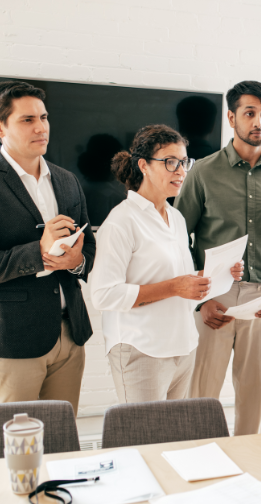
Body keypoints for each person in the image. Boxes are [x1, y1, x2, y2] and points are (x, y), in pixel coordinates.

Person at [0, 80, 94, 414]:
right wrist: (38, 253)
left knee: (60, 445)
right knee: (13, 450)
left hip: (69, 336)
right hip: (9, 341)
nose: (41, 127)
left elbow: (90, 248)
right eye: (27, 120)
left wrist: (75, 261)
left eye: (44, 117)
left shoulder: (66, 180)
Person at [174, 80, 261, 435]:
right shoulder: (201, 172)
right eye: (250, 113)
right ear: (231, 118)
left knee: (255, 402)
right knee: (200, 399)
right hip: (213, 298)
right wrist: (199, 301)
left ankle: (248, 480)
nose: (258, 122)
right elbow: (176, 239)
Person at [90, 125, 244, 403]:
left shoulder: (176, 218)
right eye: (170, 162)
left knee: (172, 442)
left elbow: (180, 281)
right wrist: (175, 287)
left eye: (184, 162)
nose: (181, 171)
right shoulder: (121, 221)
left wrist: (215, 274)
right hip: (141, 349)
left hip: (182, 347)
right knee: (144, 443)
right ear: (143, 166)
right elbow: (103, 294)